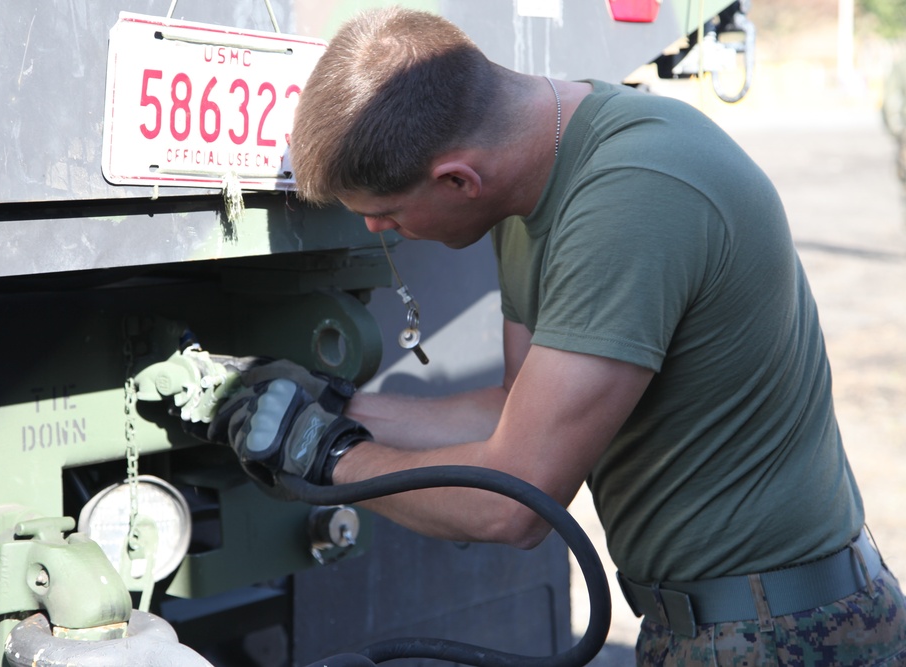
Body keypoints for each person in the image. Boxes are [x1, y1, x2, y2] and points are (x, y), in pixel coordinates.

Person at [157, 7, 906, 666]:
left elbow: (513, 503)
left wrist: (327, 456)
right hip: (711, 623)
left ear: (457, 180)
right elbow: (517, 407)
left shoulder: (634, 198)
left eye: (384, 212)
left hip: (789, 633)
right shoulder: (528, 183)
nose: (375, 231)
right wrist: (322, 400)